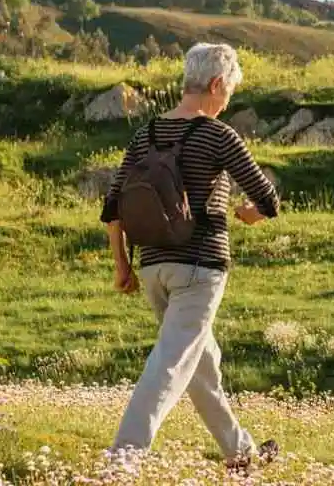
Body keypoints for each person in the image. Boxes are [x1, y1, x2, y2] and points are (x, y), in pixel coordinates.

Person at [100, 42, 281, 475]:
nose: (226, 102)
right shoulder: (218, 135)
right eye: (229, 93)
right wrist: (253, 215)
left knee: (201, 366)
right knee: (169, 366)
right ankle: (120, 463)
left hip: (153, 268)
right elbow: (267, 196)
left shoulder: (146, 134)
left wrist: (122, 266)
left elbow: (112, 208)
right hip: (199, 269)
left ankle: (243, 456)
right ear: (217, 84)